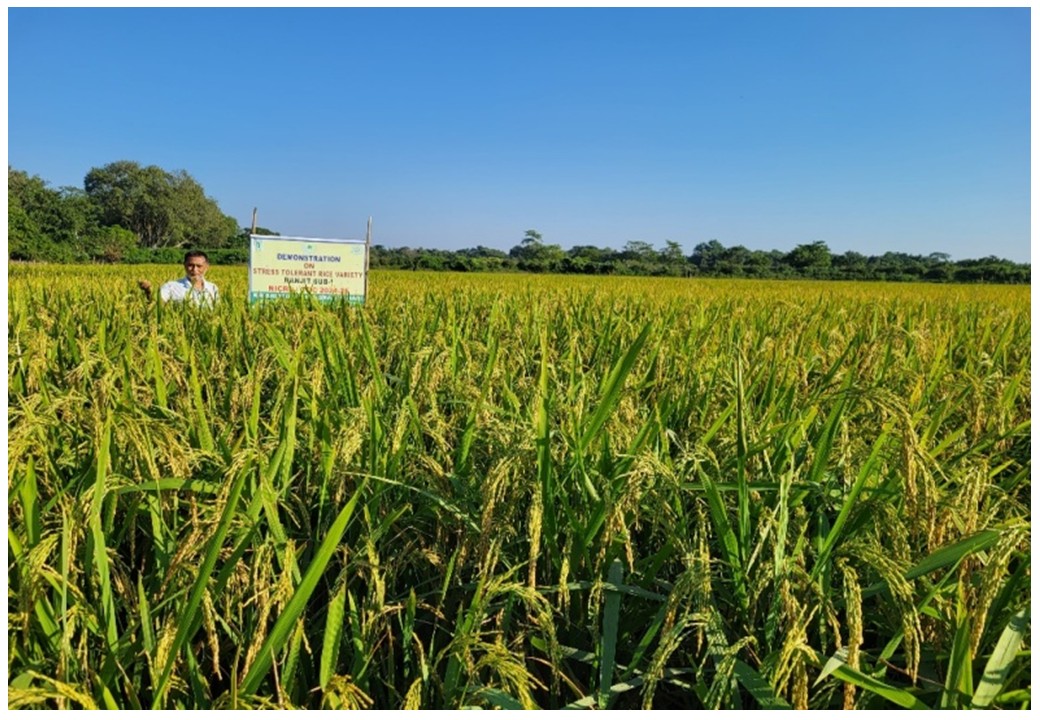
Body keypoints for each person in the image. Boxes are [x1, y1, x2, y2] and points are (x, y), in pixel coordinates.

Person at [139, 251, 219, 306]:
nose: (194, 269)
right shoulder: (171, 286)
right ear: (184, 265)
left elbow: (217, 310)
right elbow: (157, 304)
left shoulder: (212, 287)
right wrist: (148, 291)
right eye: (190, 265)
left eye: (199, 266)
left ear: (206, 267)